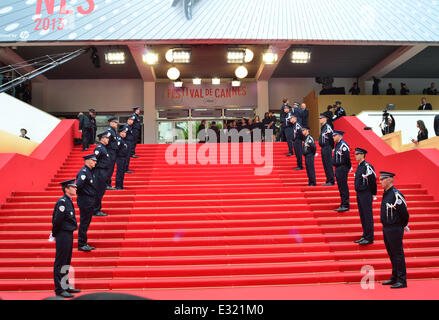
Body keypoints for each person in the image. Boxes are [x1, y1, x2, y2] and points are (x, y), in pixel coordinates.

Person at [51, 179, 81, 298]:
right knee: (60, 261)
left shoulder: (69, 201)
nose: (75, 188)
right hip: (62, 234)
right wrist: (55, 234)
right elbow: (57, 220)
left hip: (68, 233)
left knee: (66, 261)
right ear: (67, 189)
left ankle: (65, 285)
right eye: (73, 187)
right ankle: (59, 288)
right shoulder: (62, 202)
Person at [379, 171, 409, 289]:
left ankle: (402, 280)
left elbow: (404, 214)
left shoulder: (396, 194)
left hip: (395, 228)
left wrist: (401, 225)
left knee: (398, 254)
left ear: (389, 180)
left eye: (382, 179)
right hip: (387, 227)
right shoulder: (386, 194)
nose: (380, 181)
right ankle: (395, 277)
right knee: (391, 253)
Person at [354, 148, 377, 245]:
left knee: (367, 215)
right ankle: (365, 235)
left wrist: (373, 193)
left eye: (358, 154)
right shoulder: (359, 166)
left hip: (366, 193)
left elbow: (373, 180)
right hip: (359, 193)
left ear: (362, 155)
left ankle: (369, 237)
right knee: (363, 215)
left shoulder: (367, 166)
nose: (356, 155)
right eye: (355, 154)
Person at [76, 154, 98, 252]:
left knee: (86, 222)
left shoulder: (90, 171)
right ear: (88, 161)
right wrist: (85, 196)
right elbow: (79, 186)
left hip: (89, 200)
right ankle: (82, 243)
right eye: (93, 161)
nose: (95, 162)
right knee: (84, 222)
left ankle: (83, 242)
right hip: (85, 200)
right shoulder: (84, 172)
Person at [332, 130, 351, 212]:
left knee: (343, 186)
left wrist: (347, 168)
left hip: (342, 167)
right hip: (338, 167)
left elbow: (347, 158)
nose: (333, 137)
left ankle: (345, 204)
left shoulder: (343, 145)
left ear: (339, 135)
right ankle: (343, 203)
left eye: (334, 135)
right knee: (340, 186)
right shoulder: (337, 145)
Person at [93, 132, 111, 217]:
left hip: (104, 172)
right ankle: (96, 210)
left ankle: (96, 208)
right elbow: (93, 159)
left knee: (101, 191)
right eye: (106, 138)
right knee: (98, 191)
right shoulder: (99, 148)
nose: (108, 139)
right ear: (102, 139)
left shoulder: (104, 148)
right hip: (99, 172)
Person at [319, 114, 335, 186]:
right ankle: (328, 179)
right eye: (319, 118)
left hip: (327, 147)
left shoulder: (327, 127)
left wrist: (331, 147)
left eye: (321, 118)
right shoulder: (323, 127)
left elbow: (331, 138)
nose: (320, 119)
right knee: (325, 164)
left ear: (325, 119)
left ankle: (331, 180)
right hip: (323, 147)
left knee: (328, 164)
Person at [104, 117, 119, 190]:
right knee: (109, 169)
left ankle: (108, 184)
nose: (117, 124)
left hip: (113, 152)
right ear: (111, 123)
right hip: (109, 152)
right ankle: (106, 184)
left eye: (117, 122)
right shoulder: (109, 131)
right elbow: (106, 142)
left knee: (111, 169)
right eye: (115, 122)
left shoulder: (113, 131)